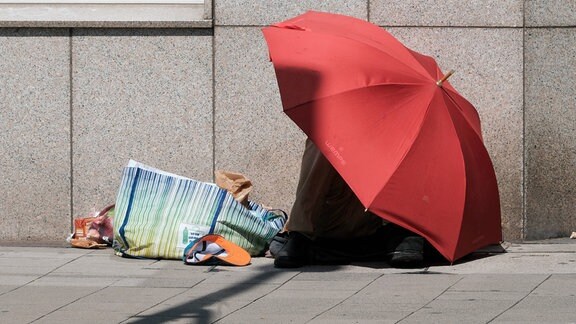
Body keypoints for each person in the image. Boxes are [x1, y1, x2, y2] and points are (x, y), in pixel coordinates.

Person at [273, 139, 426, 268]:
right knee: (322, 136)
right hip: (330, 215)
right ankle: (300, 234)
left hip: (373, 221)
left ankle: (401, 231)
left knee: (403, 136)